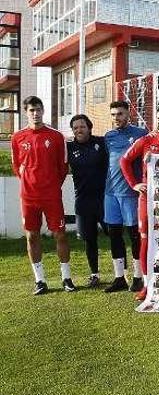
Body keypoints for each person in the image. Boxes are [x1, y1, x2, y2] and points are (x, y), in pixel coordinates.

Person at [12, 96, 72, 294]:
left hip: (52, 196)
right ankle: (40, 281)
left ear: (43, 111)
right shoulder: (17, 137)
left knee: (60, 235)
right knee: (32, 236)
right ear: (26, 112)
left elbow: (63, 167)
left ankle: (66, 278)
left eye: (38, 109)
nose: (35, 113)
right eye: (31, 110)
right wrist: (30, 183)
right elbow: (16, 166)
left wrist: (52, 185)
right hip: (28, 197)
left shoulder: (56, 136)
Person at [121, 104, 159, 299]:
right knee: (145, 239)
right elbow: (124, 161)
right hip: (147, 198)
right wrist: (134, 184)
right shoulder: (145, 140)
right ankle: (147, 284)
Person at [103, 100, 148, 293]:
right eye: (113, 115)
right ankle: (119, 277)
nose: (116, 118)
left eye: (120, 114)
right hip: (110, 193)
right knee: (114, 234)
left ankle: (138, 277)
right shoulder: (109, 136)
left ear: (128, 114)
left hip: (130, 193)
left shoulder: (140, 134)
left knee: (134, 235)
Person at [67, 113, 108, 288]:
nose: (79, 130)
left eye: (82, 126)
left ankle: (123, 273)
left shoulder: (101, 142)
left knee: (114, 236)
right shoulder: (68, 148)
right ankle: (94, 274)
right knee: (90, 240)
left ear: (89, 127)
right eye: (75, 128)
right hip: (83, 202)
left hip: (105, 199)